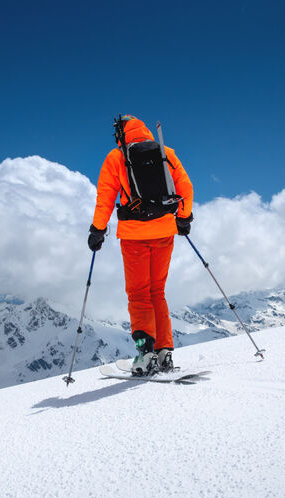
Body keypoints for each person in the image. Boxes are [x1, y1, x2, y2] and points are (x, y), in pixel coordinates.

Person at [87, 115, 194, 375]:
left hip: (134, 236)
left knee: (139, 294)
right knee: (157, 292)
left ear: (120, 134)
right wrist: (183, 218)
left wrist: (97, 230)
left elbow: (105, 198)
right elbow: (186, 187)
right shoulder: (164, 151)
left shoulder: (116, 157)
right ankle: (164, 353)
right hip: (164, 231)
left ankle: (145, 355)